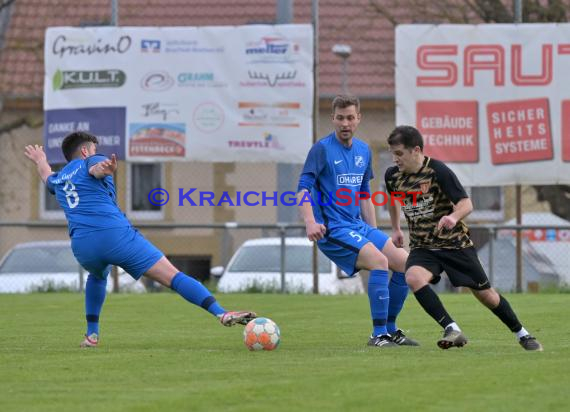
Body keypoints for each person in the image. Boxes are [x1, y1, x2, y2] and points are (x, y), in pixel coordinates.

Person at [24, 132, 256, 348]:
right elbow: (96, 169)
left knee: (96, 275)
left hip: (82, 245)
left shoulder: (60, 177)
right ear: (85, 151)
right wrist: (104, 168)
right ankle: (220, 312)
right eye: (94, 149)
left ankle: (92, 335)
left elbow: (46, 175)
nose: (97, 153)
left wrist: (39, 159)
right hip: (114, 235)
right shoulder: (91, 161)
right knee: (173, 276)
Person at [384, 125, 543, 351]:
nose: (395, 158)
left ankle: (522, 334)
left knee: (486, 296)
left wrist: (453, 217)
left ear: (416, 150)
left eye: (399, 153)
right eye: (393, 153)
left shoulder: (438, 171)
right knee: (413, 277)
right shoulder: (393, 175)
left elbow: (466, 204)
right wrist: (396, 229)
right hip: (423, 247)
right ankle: (451, 328)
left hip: (454, 245)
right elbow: (393, 200)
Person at [297, 95, 418, 347]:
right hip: (332, 229)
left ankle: (391, 329)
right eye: (340, 118)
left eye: (350, 117)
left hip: (358, 226)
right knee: (379, 261)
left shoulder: (363, 150)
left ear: (358, 119)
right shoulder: (321, 149)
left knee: (406, 264)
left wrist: (372, 232)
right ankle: (378, 334)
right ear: (333, 119)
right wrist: (310, 221)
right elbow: (303, 188)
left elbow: (365, 195)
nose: (345, 123)